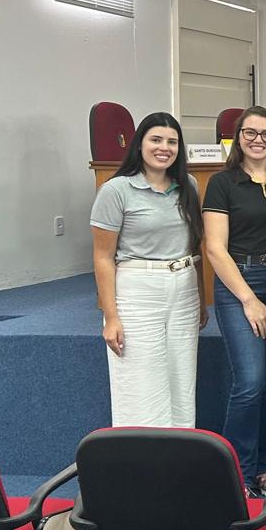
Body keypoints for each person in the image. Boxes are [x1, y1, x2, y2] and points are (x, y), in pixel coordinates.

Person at [203, 105, 266, 493]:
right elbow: (214, 249)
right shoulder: (223, 182)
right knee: (250, 382)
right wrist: (247, 298)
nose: (258, 140)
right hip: (239, 282)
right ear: (237, 137)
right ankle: (235, 475)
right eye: (250, 133)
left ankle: (264, 465)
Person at [91, 112, 205, 428]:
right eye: (156, 139)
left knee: (182, 379)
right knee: (141, 382)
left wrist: (200, 297)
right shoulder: (116, 190)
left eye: (172, 141)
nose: (164, 148)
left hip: (182, 287)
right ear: (140, 143)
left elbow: (194, 246)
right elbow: (103, 258)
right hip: (137, 291)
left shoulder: (189, 186)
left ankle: (179, 459)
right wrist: (111, 317)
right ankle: (141, 469)